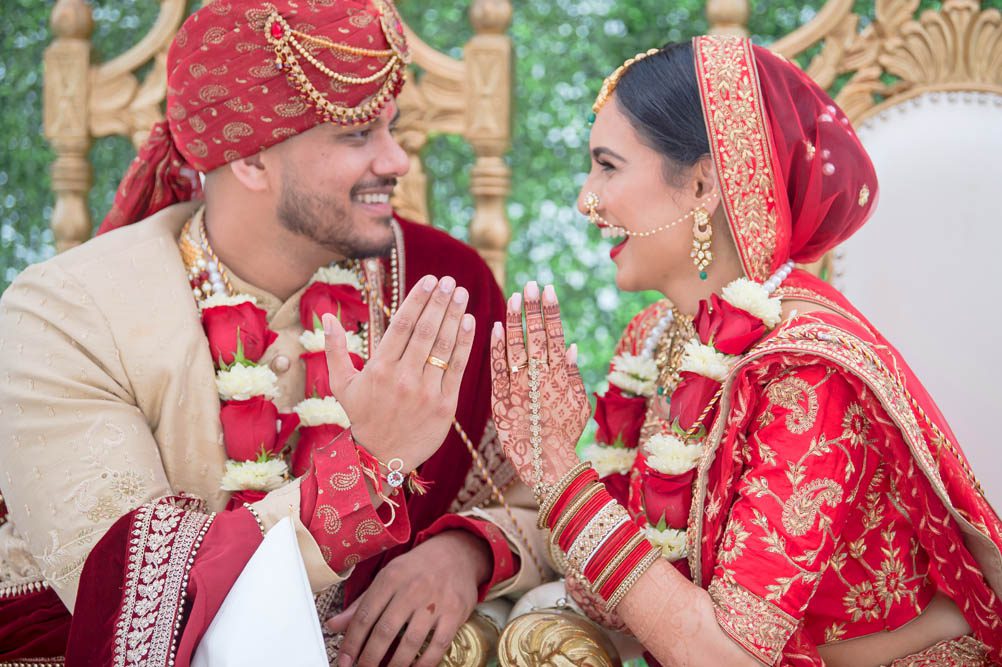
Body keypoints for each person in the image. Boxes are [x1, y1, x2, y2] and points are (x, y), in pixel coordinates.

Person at [0, 1, 549, 665]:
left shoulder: (437, 284)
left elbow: (546, 499)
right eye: (356, 136)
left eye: (392, 128)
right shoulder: (68, 315)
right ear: (253, 161)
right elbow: (136, 603)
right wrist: (367, 463)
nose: (398, 160)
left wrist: (464, 550)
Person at [490, 36, 1002, 666]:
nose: (586, 200)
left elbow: (728, 658)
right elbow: (629, 575)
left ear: (703, 182)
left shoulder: (805, 374)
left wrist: (558, 475)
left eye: (609, 166)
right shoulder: (655, 341)